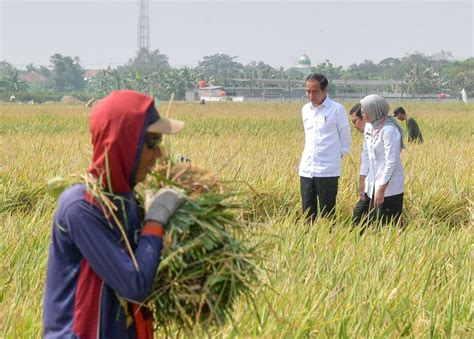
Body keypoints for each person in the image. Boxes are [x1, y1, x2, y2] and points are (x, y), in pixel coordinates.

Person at [43, 90, 185, 338]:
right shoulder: (81, 207)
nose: (160, 154)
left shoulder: (126, 201)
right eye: (152, 143)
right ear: (125, 145)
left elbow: (149, 265)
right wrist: (155, 220)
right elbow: (135, 284)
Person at [299, 73, 351, 222]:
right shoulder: (305, 110)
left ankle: (328, 241)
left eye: (315, 91)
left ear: (324, 91)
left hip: (327, 170)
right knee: (308, 212)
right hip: (307, 168)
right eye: (308, 91)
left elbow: (345, 137)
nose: (311, 95)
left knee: (328, 213)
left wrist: (337, 155)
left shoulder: (336, 109)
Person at [360, 94, 405, 226]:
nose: (362, 114)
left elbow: (391, 162)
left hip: (389, 187)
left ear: (374, 111)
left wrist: (381, 189)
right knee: (370, 222)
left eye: (364, 111)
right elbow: (366, 153)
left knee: (389, 225)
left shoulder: (389, 131)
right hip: (372, 183)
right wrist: (362, 177)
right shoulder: (369, 127)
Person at [349, 103, 370, 226]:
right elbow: (365, 156)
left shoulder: (384, 131)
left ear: (364, 117)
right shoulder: (368, 134)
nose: (354, 126)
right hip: (371, 182)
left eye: (355, 121)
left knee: (360, 213)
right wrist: (362, 178)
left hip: (381, 183)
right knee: (361, 213)